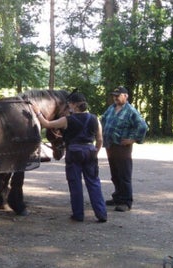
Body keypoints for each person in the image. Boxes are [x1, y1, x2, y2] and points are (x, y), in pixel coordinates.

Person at [33, 92, 107, 223]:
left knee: (75, 184)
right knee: (94, 183)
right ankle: (101, 214)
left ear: (74, 105)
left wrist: (37, 111)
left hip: (73, 152)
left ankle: (78, 215)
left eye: (70, 104)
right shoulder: (95, 119)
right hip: (90, 150)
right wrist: (96, 151)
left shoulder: (67, 120)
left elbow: (47, 124)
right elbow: (100, 139)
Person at [101, 86, 148, 212]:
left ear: (125, 96)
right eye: (114, 95)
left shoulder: (130, 110)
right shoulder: (111, 108)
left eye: (118, 95)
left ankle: (126, 202)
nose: (115, 97)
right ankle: (117, 197)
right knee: (115, 174)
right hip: (110, 146)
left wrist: (133, 139)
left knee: (124, 174)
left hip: (122, 147)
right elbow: (102, 120)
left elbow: (142, 126)